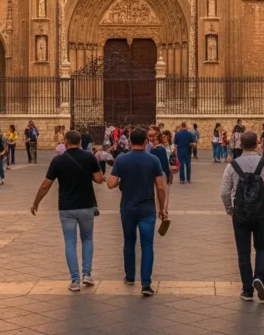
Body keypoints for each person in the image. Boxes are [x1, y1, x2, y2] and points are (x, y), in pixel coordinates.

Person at [31, 130, 105, 291]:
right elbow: (99, 180)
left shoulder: (58, 160)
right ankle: (87, 275)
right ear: (80, 141)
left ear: (65, 141)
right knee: (87, 239)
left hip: (67, 207)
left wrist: (36, 202)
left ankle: (75, 280)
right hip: (86, 205)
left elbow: (46, 184)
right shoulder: (89, 157)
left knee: (70, 243)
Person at [221, 130, 264, 301]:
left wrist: (229, 209)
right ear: (257, 143)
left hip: (240, 213)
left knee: (243, 252)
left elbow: (224, 192)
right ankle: (258, 277)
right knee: (262, 247)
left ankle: (247, 290)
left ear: (240, 145)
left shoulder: (232, 166)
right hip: (261, 213)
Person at [107, 127, 167, 296]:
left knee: (129, 242)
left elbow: (110, 184)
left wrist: (120, 181)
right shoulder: (154, 160)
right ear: (146, 141)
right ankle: (146, 284)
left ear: (130, 141)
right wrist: (161, 209)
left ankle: (130, 276)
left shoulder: (121, 159)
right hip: (147, 209)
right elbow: (160, 188)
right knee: (147, 245)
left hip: (127, 208)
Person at [147, 126, 173, 212]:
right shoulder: (152, 148)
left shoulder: (160, 149)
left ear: (156, 136)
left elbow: (165, 164)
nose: (149, 137)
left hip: (161, 175)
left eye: (151, 135)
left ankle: (163, 212)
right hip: (153, 175)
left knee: (161, 194)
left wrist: (168, 176)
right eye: (149, 135)